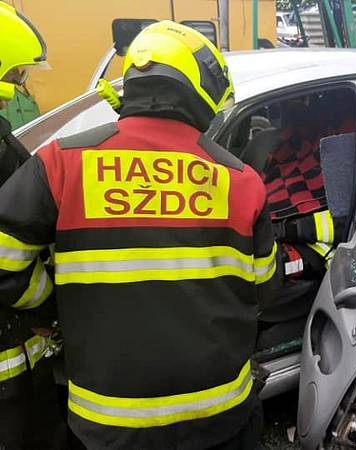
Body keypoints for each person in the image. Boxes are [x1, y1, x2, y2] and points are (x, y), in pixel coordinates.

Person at [0, 20, 279, 449]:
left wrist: (54, 302)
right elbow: (264, 288)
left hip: (107, 424)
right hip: (220, 417)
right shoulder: (240, 181)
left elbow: (3, 264)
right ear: (199, 90)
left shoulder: (61, 164)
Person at [0, 4, 70, 449]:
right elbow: (7, 264)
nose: (17, 89)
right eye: (15, 75)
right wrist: (50, 308)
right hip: (10, 375)